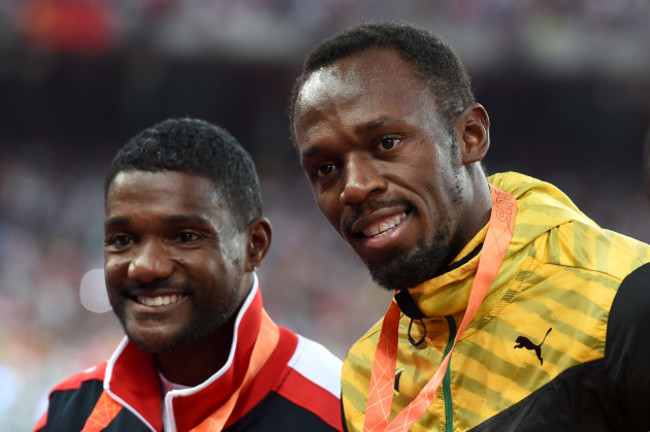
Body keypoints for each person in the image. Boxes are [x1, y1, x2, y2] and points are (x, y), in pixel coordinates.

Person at [289, 21, 650, 432]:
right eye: (326, 168)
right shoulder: (364, 375)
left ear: (470, 136)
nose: (353, 187)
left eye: (386, 143)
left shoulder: (620, 297)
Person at [34, 118, 343, 431]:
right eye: (123, 240)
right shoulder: (71, 412)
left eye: (185, 236)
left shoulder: (342, 410)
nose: (145, 266)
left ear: (254, 246)